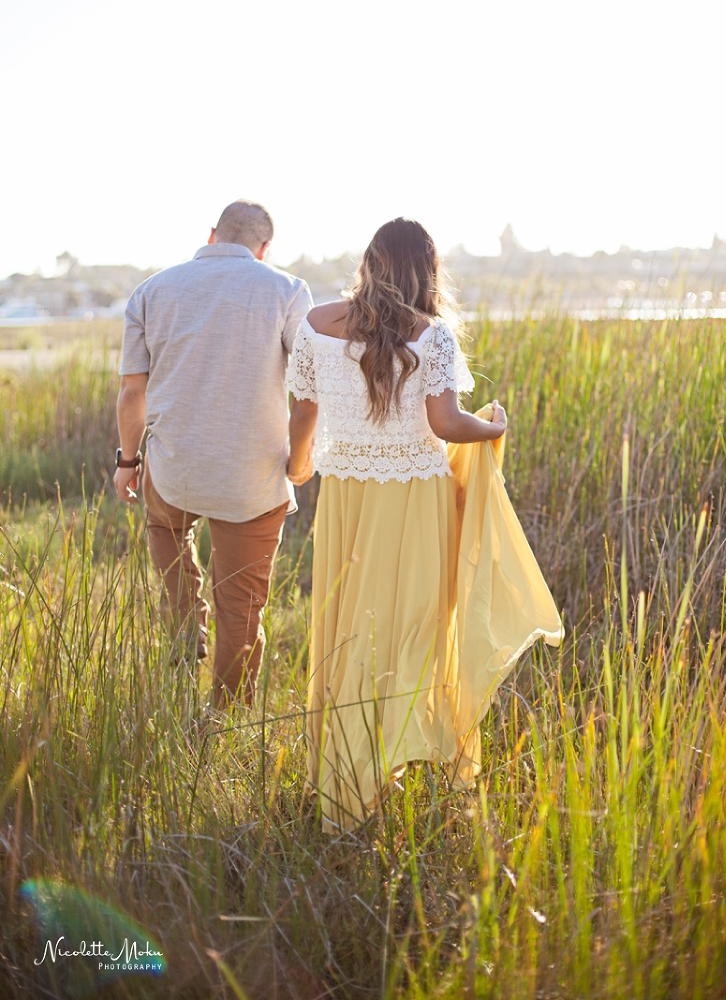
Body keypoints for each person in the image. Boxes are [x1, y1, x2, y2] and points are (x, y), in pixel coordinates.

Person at [287, 217, 563, 831]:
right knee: (414, 626)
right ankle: (388, 754)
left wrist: (298, 467)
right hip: (413, 499)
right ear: (424, 270)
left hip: (346, 500)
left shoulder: (313, 325)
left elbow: (303, 413)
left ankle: (347, 772)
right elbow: (446, 424)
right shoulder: (430, 334)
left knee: (348, 625)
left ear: (370, 263)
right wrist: (495, 425)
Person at [114, 200, 314, 706]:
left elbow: (132, 393)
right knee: (241, 608)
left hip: (173, 468)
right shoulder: (287, 290)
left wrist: (127, 462)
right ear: (264, 248)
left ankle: (187, 627)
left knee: (165, 528)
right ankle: (222, 717)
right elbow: (308, 390)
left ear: (212, 235)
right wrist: (298, 460)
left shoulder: (151, 290)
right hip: (251, 478)